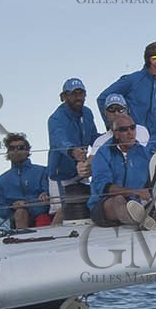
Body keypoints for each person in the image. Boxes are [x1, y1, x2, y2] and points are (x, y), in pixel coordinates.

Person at [101, 40, 156, 149]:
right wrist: (113, 127)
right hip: (132, 140)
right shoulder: (132, 80)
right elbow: (103, 98)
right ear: (153, 60)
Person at [87, 120, 156, 228]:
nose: (130, 132)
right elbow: (103, 186)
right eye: (124, 129)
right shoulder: (103, 153)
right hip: (105, 205)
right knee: (118, 199)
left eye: (132, 128)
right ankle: (136, 219)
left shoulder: (145, 153)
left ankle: (141, 216)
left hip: (139, 202)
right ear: (116, 134)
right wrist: (135, 192)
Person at [47, 77, 98, 219]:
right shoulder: (55, 118)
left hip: (81, 171)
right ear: (64, 97)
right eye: (73, 94)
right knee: (62, 210)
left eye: (81, 93)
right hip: (60, 174)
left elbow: (93, 136)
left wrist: (110, 137)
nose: (78, 97)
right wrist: (73, 151)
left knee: (82, 209)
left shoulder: (87, 113)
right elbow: (59, 140)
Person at [0, 132, 56, 230]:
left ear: (28, 151)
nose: (16, 151)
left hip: (42, 217)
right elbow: (1, 210)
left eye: (20, 148)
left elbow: (52, 196)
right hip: (18, 219)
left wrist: (44, 195)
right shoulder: (2, 180)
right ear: (8, 152)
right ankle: (22, 240)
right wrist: (12, 206)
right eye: (12, 148)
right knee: (20, 212)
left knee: (39, 217)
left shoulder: (43, 172)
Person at [91, 92, 148, 158]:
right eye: (111, 109)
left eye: (120, 109)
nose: (116, 113)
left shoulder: (141, 130)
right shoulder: (100, 141)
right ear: (105, 114)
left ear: (127, 111)